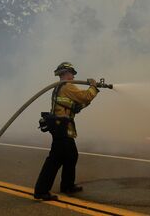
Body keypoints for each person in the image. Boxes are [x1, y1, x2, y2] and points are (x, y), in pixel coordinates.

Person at [33, 62, 99, 200]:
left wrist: (81, 104)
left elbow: (76, 104)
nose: (73, 76)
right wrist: (93, 86)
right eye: (71, 73)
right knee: (55, 160)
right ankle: (41, 191)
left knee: (71, 156)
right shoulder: (67, 86)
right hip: (61, 128)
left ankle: (67, 185)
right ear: (65, 73)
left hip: (61, 127)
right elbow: (84, 96)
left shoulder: (59, 88)